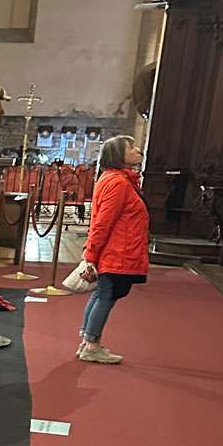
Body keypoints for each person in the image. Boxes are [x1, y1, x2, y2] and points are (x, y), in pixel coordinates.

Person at [76, 134, 149, 363]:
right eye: (131, 147)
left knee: (101, 294)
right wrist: (91, 253)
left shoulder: (116, 179)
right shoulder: (117, 182)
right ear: (118, 155)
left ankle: (87, 341)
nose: (138, 150)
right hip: (117, 251)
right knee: (106, 296)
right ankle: (91, 345)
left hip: (117, 249)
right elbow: (103, 222)